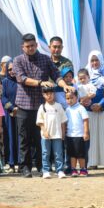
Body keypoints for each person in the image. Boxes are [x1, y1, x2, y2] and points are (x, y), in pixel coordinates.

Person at [13, 33, 74, 178]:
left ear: (36, 45)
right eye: (27, 46)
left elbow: (56, 75)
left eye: (33, 45)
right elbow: (21, 79)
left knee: (41, 138)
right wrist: (40, 83)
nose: (30, 48)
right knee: (24, 138)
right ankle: (25, 167)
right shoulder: (18, 60)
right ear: (23, 47)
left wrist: (64, 85)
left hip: (42, 106)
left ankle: (42, 167)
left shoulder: (45, 59)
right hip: (24, 105)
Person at [85, 50, 104, 169]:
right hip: (89, 109)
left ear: (101, 60)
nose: (95, 62)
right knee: (92, 136)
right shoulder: (85, 74)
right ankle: (92, 162)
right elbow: (82, 91)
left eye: (97, 60)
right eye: (92, 60)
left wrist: (100, 104)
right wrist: (89, 104)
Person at [36, 87, 67, 179]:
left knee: (58, 153)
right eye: (47, 94)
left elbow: (63, 121)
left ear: (54, 94)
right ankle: (46, 170)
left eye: (51, 93)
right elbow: (40, 122)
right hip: (46, 135)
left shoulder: (59, 106)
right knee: (45, 153)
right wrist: (44, 131)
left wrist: (63, 133)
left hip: (57, 134)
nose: (49, 95)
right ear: (43, 95)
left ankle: (60, 170)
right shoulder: (42, 107)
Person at [65, 90, 90, 176]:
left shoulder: (81, 108)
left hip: (79, 135)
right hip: (70, 135)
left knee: (80, 154)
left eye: (72, 98)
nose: (69, 100)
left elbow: (85, 120)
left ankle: (83, 169)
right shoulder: (67, 109)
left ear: (77, 97)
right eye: (67, 98)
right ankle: (73, 170)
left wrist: (86, 133)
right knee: (72, 154)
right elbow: (65, 122)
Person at [1, 59, 18, 173]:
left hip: (22, 112)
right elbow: (2, 97)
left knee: (21, 138)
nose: (12, 71)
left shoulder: (22, 81)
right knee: (10, 138)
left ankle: (22, 163)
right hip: (9, 113)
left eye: (14, 69)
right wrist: (11, 108)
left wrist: (18, 108)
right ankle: (11, 164)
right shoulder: (5, 82)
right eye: (10, 69)